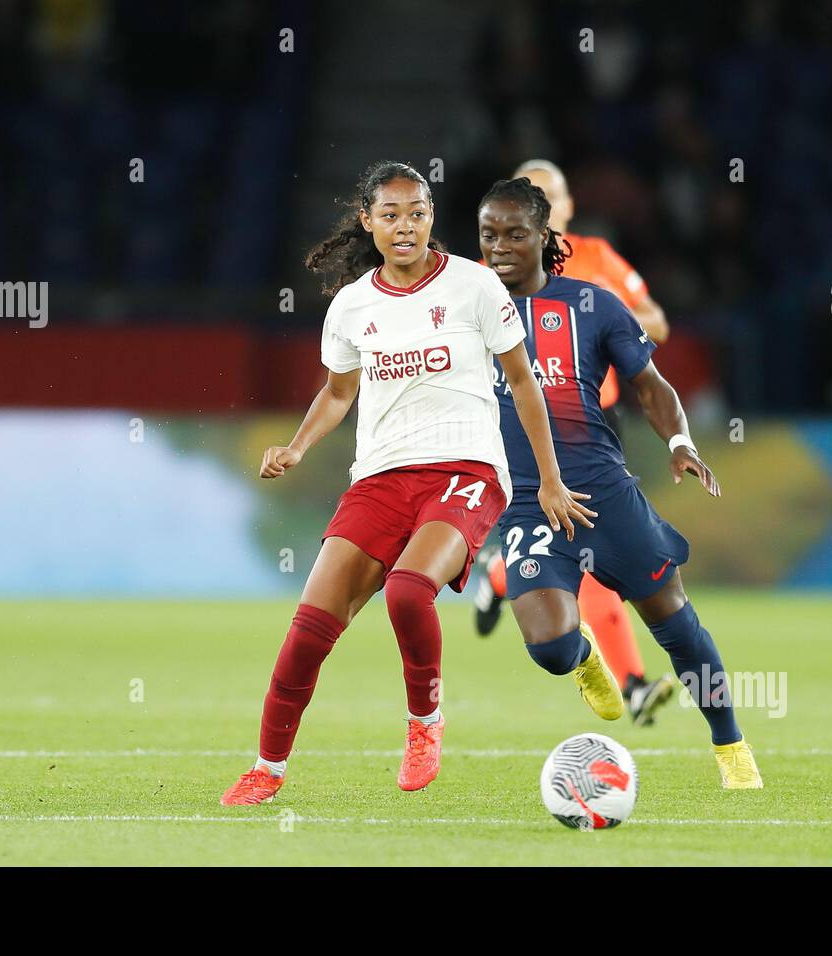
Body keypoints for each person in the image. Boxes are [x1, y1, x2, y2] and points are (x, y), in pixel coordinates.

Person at [220, 162, 599, 805]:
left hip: (466, 472)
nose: (405, 227)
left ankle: (424, 722)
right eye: (390, 215)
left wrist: (552, 481)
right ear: (367, 222)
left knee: (406, 590)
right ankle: (267, 767)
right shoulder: (351, 306)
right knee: (308, 631)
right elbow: (339, 393)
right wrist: (296, 447)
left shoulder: (476, 287)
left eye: (417, 213)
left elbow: (526, 384)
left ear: (432, 217)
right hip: (379, 479)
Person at [478, 177, 763, 788]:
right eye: (488, 234)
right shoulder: (466, 312)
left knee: (676, 625)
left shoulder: (592, 304)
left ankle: (731, 746)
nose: (498, 246)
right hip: (529, 504)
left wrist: (681, 443)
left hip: (605, 494)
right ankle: (585, 659)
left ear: (544, 237)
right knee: (550, 649)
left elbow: (649, 384)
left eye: (514, 234)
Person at [472, 159, 675, 726]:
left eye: (548, 196)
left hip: (595, 423)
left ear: (565, 208)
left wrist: (603, 307)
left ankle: (499, 572)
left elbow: (656, 324)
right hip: (519, 421)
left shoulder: (597, 260)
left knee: (584, 547)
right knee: (586, 548)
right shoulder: (493, 268)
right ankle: (632, 683)